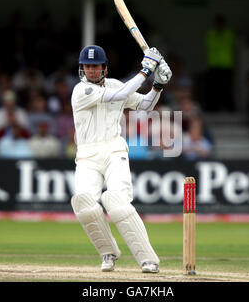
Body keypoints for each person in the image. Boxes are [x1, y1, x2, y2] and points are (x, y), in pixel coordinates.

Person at [70, 45, 172, 273]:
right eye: (88, 66)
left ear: (104, 68)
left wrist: (158, 85)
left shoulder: (116, 84)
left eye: (96, 66)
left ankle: (148, 260)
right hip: (87, 155)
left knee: (116, 200)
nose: (92, 70)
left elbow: (145, 105)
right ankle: (108, 252)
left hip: (114, 150)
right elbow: (119, 96)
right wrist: (146, 70)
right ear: (82, 68)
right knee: (84, 202)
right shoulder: (81, 91)